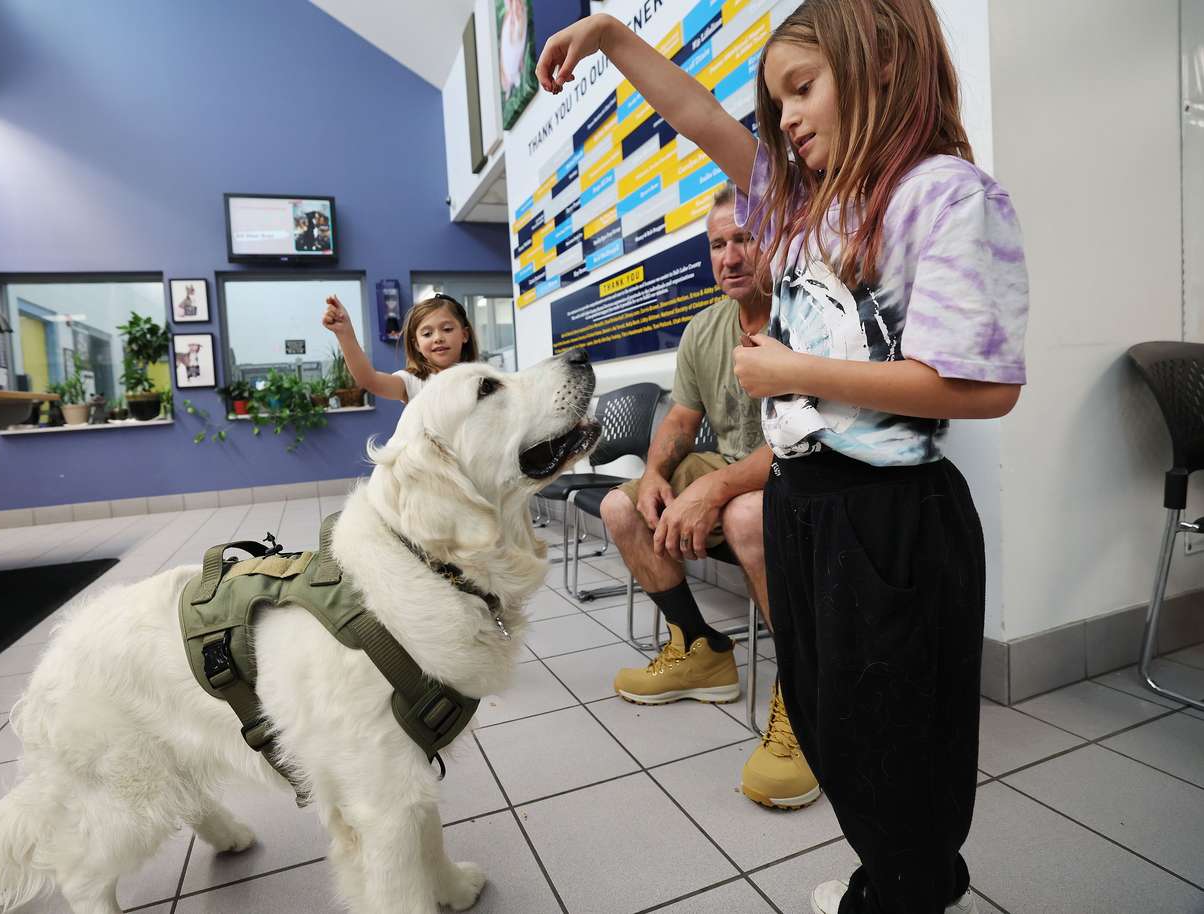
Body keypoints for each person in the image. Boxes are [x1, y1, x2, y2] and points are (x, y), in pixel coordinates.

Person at [537, 2, 1029, 912]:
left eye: (804, 87)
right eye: (777, 101)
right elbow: (697, 117)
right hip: (805, 505)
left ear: (881, 62)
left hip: (887, 517)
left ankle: (905, 885)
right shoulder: (807, 208)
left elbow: (985, 387)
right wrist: (608, 35)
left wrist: (793, 368)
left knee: (896, 738)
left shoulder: (946, 195)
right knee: (833, 721)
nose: (787, 117)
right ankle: (897, 874)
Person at [602, 182, 820, 813]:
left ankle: (806, 693)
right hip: (728, 463)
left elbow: (800, 438)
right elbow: (678, 420)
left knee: (748, 514)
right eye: (718, 244)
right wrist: (654, 476)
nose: (730, 256)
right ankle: (699, 649)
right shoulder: (705, 328)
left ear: (776, 239)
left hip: (801, 467)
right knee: (622, 507)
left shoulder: (804, 315)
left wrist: (715, 490)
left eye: (745, 239)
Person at [322, 292, 479, 404]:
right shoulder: (413, 381)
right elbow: (369, 380)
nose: (438, 338)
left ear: (464, 335)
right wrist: (344, 333)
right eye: (427, 333)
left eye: (447, 329)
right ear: (417, 345)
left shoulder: (484, 381)